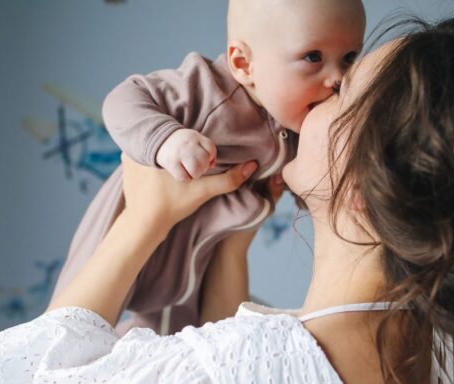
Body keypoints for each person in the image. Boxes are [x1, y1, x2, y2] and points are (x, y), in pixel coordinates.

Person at [0, 16, 454, 383]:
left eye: (345, 90)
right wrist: (231, 242)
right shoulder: (443, 359)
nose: (319, 93)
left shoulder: (234, 369)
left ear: (362, 189)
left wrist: (140, 223)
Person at [50, 0, 366, 336]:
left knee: (175, 338)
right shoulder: (207, 89)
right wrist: (166, 139)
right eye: (313, 57)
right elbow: (124, 98)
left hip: (196, 260)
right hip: (127, 227)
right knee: (71, 330)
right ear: (243, 64)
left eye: (349, 58)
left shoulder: (296, 123)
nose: (337, 79)